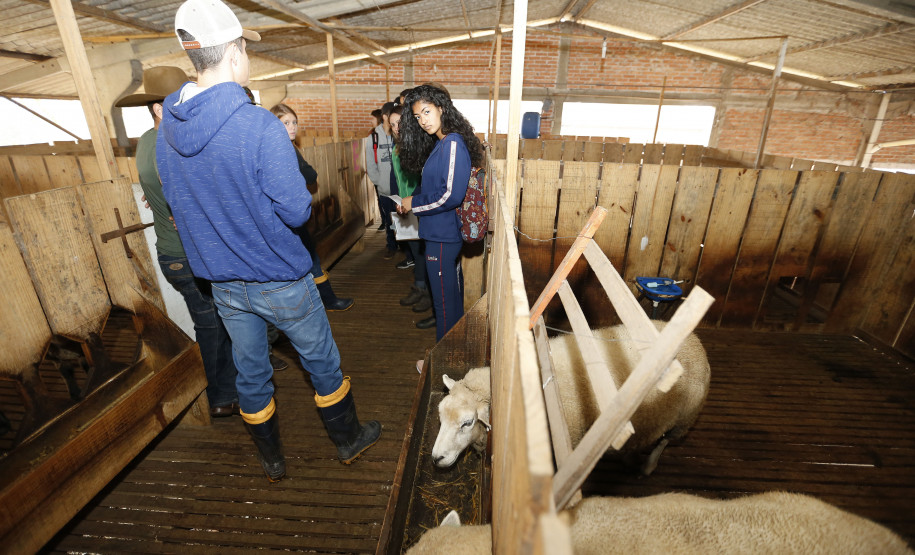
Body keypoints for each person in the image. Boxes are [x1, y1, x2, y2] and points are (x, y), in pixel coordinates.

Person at [157, 0, 380, 482]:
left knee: (251, 370)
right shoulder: (257, 125)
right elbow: (298, 210)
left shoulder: (167, 129)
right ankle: (348, 439)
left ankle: (272, 459)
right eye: (245, 48)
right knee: (321, 360)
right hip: (280, 277)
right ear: (235, 52)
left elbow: (178, 205)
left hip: (222, 283)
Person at [115, 65, 240, 418]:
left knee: (216, 318)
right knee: (212, 323)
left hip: (177, 252)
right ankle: (218, 394)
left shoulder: (149, 141)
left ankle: (230, 382)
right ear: (159, 108)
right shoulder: (169, 144)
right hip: (187, 254)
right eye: (180, 100)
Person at [397, 84, 484, 341]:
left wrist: (414, 203)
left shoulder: (453, 143)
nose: (423, 120)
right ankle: (453, 354)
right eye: (417, 116)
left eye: (427, 111)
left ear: (441, 108)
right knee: (450, 300)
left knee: (444, 305)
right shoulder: (442, 143)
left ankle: (445, 361)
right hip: (438, 234)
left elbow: (450, 195)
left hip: (444, 236)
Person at [269, 102, 354, 312]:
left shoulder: (278, 148)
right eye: (286, 122)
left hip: (284, 214)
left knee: (308, 256)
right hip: (287, 215)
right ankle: (327, 301)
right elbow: (310, 175)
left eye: (294, 122)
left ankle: (318, 301)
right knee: (310, 257)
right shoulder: (285, 149)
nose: (292, 127)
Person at [389, 104, 434, 330]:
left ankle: (428, 293)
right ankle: (419, 286)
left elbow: (422, 180)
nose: (396, 128)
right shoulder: (399, 147)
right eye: (392, 124)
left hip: (420, 203)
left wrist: (413, 201)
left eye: (400, 123)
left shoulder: (420, 146)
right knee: (416, 249)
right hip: (405, 203)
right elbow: (397, 176)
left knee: (425, 250)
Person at [365, 103, 396, 257]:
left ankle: (406, 249)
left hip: (400, 188)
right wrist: (379, 183)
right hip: (384, 188)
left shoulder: (398, 134)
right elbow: (370, 164)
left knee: (403, 219)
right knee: (389, 220)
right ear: (385, 117)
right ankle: (391, 246)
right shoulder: (373, 138)